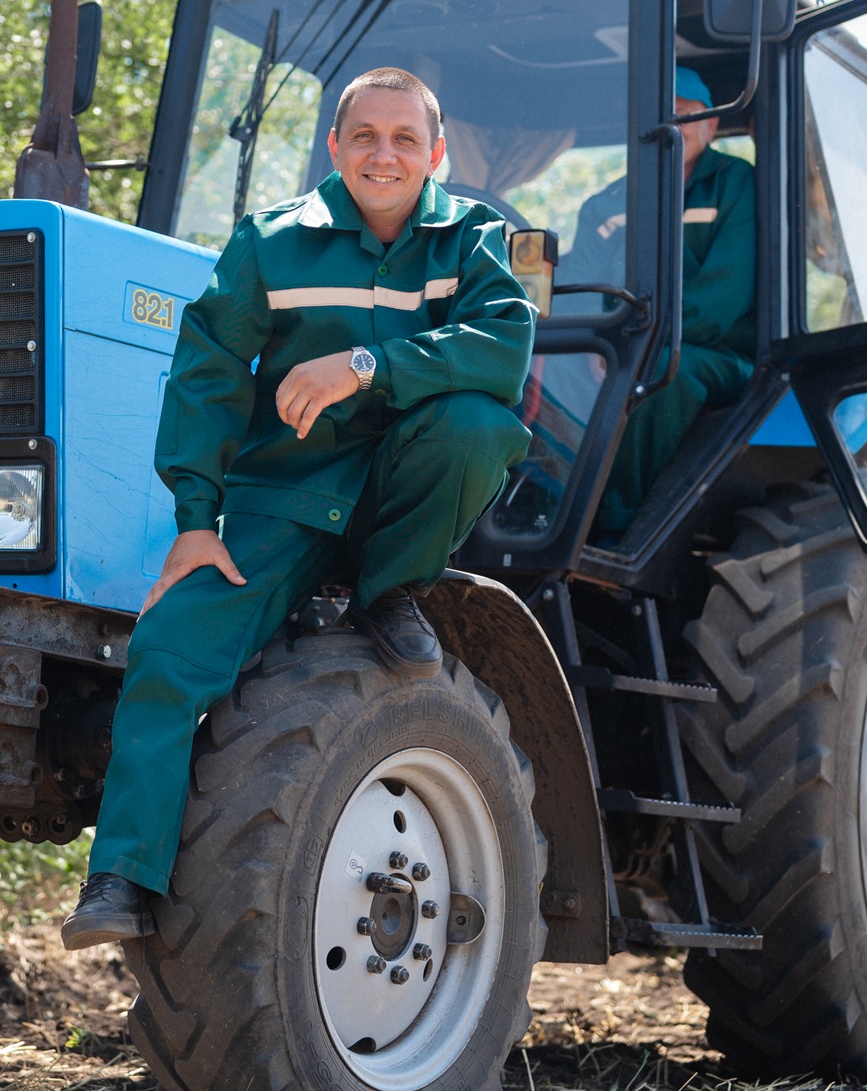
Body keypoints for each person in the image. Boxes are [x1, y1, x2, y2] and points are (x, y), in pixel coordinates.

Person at [59, 67, 535, 949]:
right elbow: (205, 375)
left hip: (401, 490)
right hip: (285, 501)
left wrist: (363, 366)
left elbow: (502, 351)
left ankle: (388, 588)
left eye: (403, 139)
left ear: (435, 153)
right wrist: (197, 521)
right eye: (364, 136)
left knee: (474, 425)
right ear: (336, 147)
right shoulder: (270, 244)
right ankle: (121, 876)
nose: (382, 154)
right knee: (168, 644)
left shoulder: (472, 239)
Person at [582, 66, 756, 532]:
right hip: (615, 352)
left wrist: (631, 348)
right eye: (662, 115)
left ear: (712, 124)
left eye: (685, 114)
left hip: (717, 355)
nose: (673, 126)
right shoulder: (605, 205)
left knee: (661, 372)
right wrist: (590, 346)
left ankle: (606, 528)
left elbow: (723, 297)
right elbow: (579, 285)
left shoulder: (736, 184)